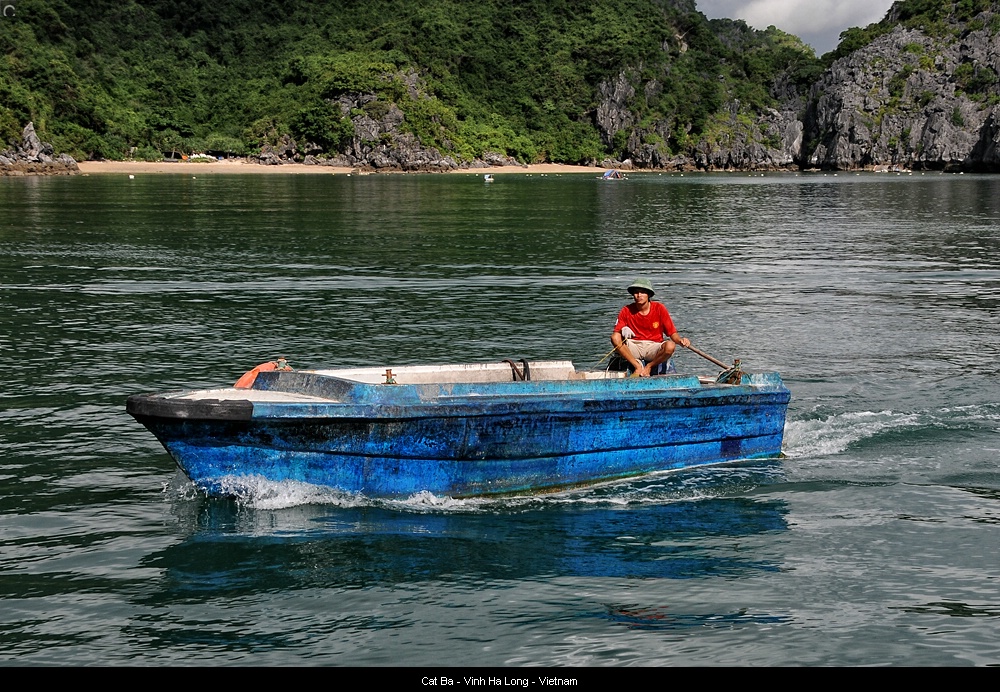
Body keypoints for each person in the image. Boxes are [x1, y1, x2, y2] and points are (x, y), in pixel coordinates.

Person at [611, 278, 690, 377]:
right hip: (634, 345)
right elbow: (616, 333)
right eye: (636, 293)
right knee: (614, 337)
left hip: (653, 346)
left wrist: (681, 340)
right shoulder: (626, 310)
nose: (639, 295)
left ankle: (649, 367)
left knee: (670, 346)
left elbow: (672, 334)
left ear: (648, 295)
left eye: (642, 292)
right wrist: (623, 331)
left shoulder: (659, 308)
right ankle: (637, 366)